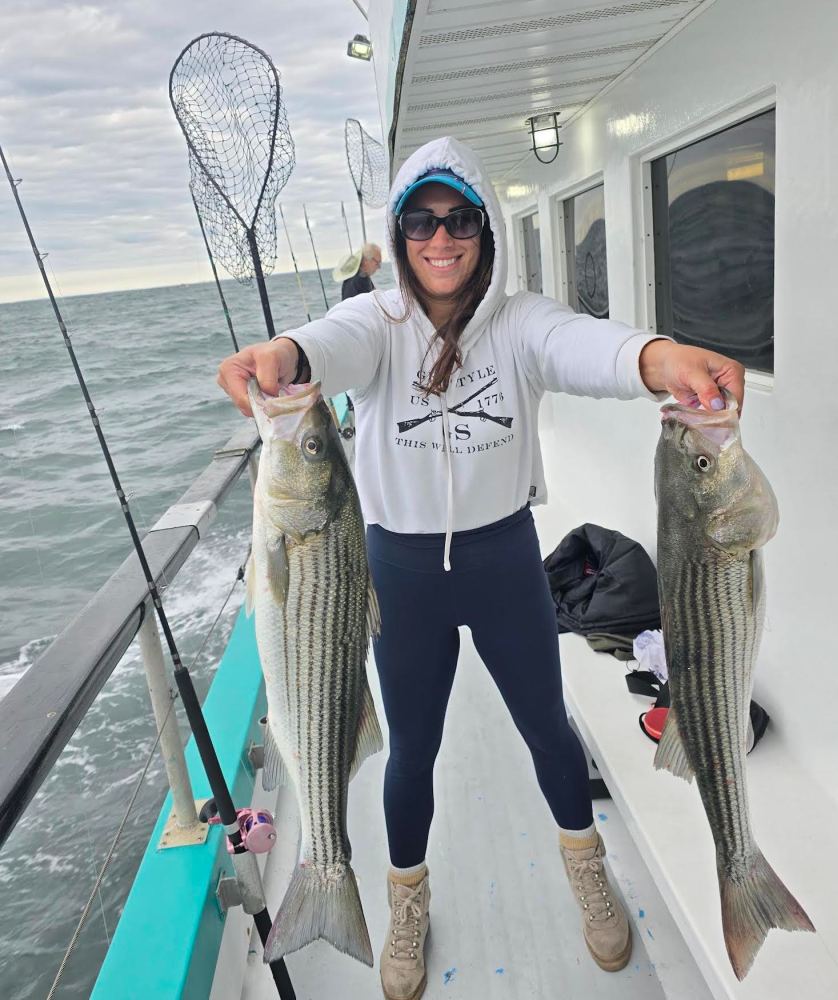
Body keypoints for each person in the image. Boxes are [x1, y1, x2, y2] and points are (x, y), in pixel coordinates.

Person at [217, 136, 745, 1000]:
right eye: (420, 220)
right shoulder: (376, 326)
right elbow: (325, 345)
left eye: (458, 218)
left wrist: (663, 359)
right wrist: (283, 358)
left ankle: (586, 870)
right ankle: (403, 901)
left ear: (484, 228)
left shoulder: (522, 322)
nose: (440, 237)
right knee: (410, 750)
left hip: (503, 559)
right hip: (398, 572)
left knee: (545, 725)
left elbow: (596, 350)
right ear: (397, 233)